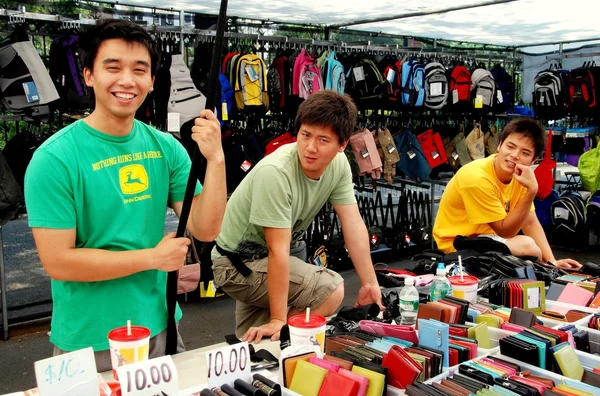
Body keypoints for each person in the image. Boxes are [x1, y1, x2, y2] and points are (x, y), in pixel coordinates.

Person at [24, 19, 226, 369]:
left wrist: (217, 159)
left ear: (151, 80)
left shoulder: (166, 148)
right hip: (91, 338)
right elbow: (58, 261)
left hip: (161, 324)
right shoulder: (54, 158)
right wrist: (152, 258)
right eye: (112, 67)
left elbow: (206, 230)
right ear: (88, 75)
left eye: (140, 69)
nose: (127, 80)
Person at [211, 90, 383, 343]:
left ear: (342, 145)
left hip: (279, 256)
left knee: (250, 342)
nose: (310, 148)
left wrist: (370, 283)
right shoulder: (276, 172)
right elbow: (276, 250)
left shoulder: (339, 165)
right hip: (236, 265)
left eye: (323, 140)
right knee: (330, 290)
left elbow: (352, 222)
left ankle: (270, 347)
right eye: (305, 135)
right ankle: (284, 334)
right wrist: (280, 321)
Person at [433, 118, 581, 270]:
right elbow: (504, 231)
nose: (515, 155)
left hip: (488, 241)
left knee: (532, 252)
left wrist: (552, 262)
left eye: (525, 152)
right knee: (529, 247)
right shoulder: (476, 177)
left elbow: (530, 222)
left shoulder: (520, 176)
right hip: (455, 244)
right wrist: (532, 192)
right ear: (499, 145)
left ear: (534, 159)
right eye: (511, 146)